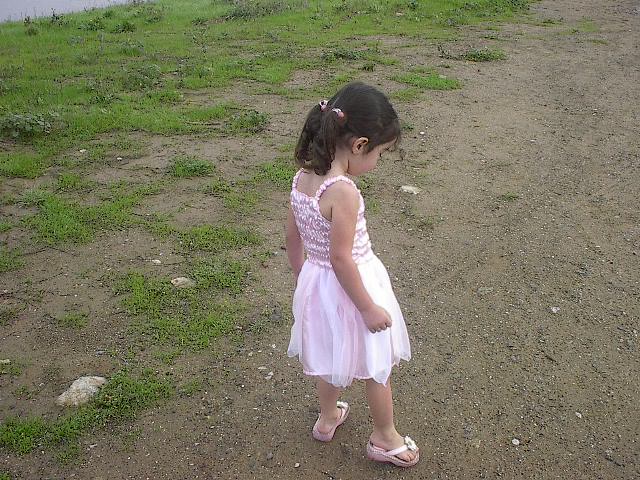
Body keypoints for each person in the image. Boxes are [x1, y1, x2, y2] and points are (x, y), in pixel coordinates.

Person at [285, 82, 419, 468]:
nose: (378, 160)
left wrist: (303, 276)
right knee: (376, 366)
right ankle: (385, 437)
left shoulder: (302, 177)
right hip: (354, 285)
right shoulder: (343, 191)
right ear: (359, 145)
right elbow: (342, 258)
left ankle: (328, 418)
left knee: (330, 356)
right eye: (380, 153)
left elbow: (292, 236)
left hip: (319, 283)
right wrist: (367, 308)